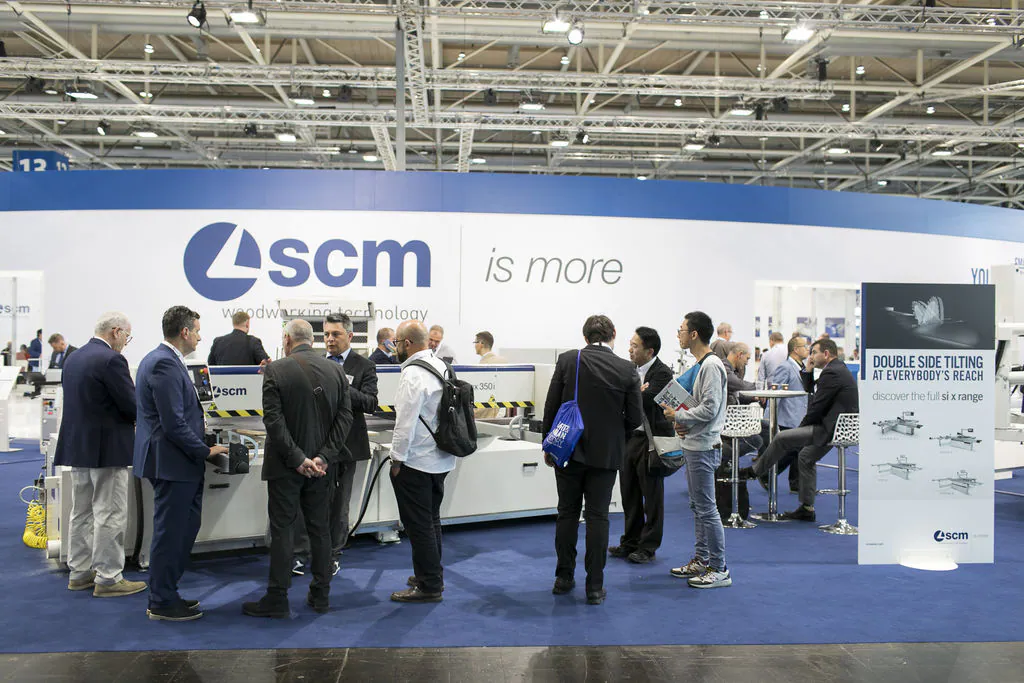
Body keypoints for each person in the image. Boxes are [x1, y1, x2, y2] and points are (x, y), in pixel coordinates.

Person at [244, 319, 353, 618]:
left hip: (285, 467)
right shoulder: (336, 371)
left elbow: (273, 421)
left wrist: (297, 459)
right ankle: (321, 595)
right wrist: (324, 457)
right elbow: (345, 418)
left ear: (286, 339)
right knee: (320, 529)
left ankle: (277, 598)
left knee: (283, 530)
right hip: (322, 469)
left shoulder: (276, 370)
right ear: (313, 340)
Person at [134, 306, 228, 622]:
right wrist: (205, 450)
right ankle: (161, 600)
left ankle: (167, 593)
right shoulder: (163, 363)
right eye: (197, 331)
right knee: (171, 534)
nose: (200, 337)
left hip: (176, 462)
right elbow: (173, 423)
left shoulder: (164, 361)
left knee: (181, 530)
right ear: (185, 332)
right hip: (172, 463)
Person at [543, 315, 642, 605]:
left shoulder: (568, 360)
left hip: (568, 450)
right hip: (606, 454)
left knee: (567, 513)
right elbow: (635, 418)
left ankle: (563, 578)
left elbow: (551, 406)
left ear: (585, 337)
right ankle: (595, 586)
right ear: (614, 334)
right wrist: (614, 436)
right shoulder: (627, 369)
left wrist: (549, 445)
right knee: (598, 517)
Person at [54, 312, 146, 598]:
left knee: (80, 511)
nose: (126, 343)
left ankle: (79, 572)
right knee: (110, 513)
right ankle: (108, 577)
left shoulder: (74, 358)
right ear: (116, 332)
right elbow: (131, 405)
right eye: (127, 337)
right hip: (108, 448)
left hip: (78, 446)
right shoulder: (112, 360)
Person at [293, 313, 377, 578]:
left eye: (336, 334)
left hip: (347, 446)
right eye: (326, 334)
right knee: (309, 502)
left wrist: (339, 383)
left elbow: (371, 402)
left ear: (350, 336)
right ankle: (301, 554)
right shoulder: (316, 363)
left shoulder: (364, 366)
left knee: (339, 506)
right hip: (315, 446)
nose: (329, 339)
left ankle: (332, 555)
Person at [740, 338, 858, 522]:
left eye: (814, 352)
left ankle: (755, 472)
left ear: (826, 354)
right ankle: (807, 508)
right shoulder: (837, 369)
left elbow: (816, 406)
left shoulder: (832, 372)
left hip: (830, 429)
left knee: (782, 438)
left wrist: (801, 428)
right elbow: (813, 393)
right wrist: (808, 371)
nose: (811, 356)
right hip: (838, 428)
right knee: (805, 457)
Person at [388, 320, 456, 603]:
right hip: (442, 457)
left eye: (396, 343)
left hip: (416, 460)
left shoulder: (412, 374)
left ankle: (429, 585)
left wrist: (396, 459)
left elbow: (405, 422)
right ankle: (431, 574)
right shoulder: (441, 366)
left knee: (419, 525)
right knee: (431, 520)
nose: (394, 348)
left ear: (406, 343)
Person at [662, 311, 731, 589]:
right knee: (699, 507)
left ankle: (719, 568)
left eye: (681, 330)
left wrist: (678, 416)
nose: (678, 334)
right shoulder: (703, 365)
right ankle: (703, 560)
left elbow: (710, 409)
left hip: (704, 446)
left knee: (707, 509)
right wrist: (683, 423)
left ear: (694, 334)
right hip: (695, 443)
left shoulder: (711, 365)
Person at [609, 326, 672, 565]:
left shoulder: (662, 373)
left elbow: (645, 400)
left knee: (652, 496)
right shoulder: (630, 369)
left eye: (635, 346)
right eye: (630, 345)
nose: (630, 350)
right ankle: (630, 542)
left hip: (652, 442)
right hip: (630, 439)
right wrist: (636, 391)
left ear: (649, 351)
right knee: (629, 493)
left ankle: (648, 546)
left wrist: (633, 392)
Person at [754, 335, 811, 493]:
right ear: (795, 349)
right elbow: (776, 393)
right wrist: (769, 418)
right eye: (805, 346)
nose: (807, 349)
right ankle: (765, 473)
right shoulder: (785, 367)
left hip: (801, 415)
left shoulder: (804, 367)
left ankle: (796, 484)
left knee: (799, 450)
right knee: (792, 449)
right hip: (788, 417)